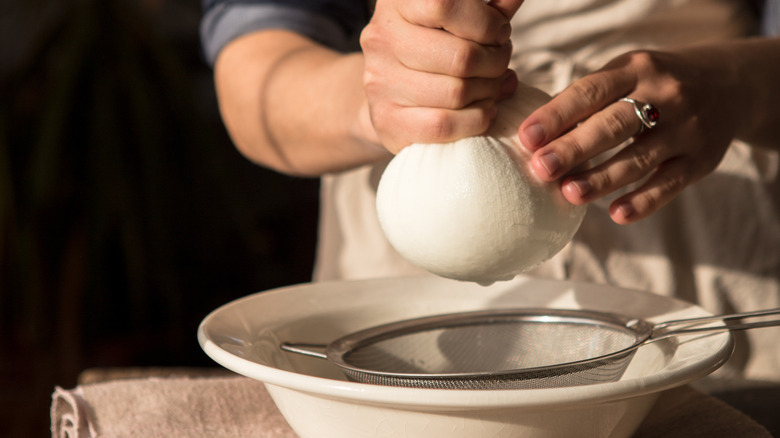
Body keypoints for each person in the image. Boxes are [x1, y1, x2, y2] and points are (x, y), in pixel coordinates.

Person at [200, 0, 780, 383]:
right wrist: (377, 103)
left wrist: (733, 85)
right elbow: (255, 78)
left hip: (701, 252)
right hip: (401, 289)